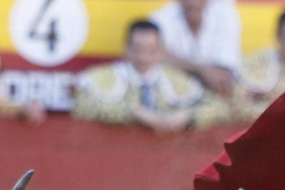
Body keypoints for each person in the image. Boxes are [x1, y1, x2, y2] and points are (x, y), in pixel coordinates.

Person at [71, 19, 230, 132]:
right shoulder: (104, 77)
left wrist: (187, 116)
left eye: (150, 50)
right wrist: (133, 112)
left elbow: (219, 106)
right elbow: (81, 105)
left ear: (161, 52)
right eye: (138, 49)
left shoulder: (177, 81)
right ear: (126, 49)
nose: (143, 57)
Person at [150, 0, 242, 97]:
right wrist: (202, 69)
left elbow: (225, 69)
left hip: (213, 92)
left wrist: (182, 65)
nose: (193, 2)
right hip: (172, 92)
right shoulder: (160, 19)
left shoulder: (226, 16)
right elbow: (157, 59)